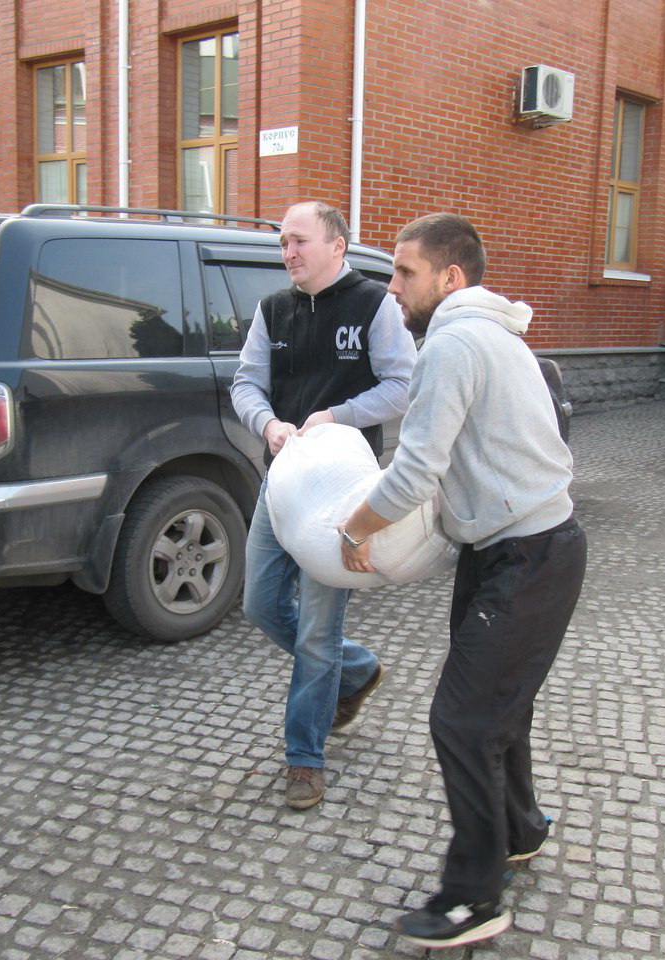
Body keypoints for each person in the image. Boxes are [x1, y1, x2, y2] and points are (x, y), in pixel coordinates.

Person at [336, 213, 586, 949]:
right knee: (498, 707)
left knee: (463, 719)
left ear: (450, 277)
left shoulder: (452, 342)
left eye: (405, 272)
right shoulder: (496, 333)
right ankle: (520, 830)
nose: (392, 286)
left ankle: (473, 899)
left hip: (528, 556)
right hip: (518, 548)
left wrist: (355, 527)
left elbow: (416, 471)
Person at [230, 201, 416, 810]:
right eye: (283, 242)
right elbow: (246, 384)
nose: (288, 252)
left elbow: (403, 385)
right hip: (281, 481)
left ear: (337, 245)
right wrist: (268, 425)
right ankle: (355, 668)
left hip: (342, 493)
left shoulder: (373, 305)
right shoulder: (272, 309)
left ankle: (305, 759)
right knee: (260, 604)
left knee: (316, 632)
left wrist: (337, 415)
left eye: (299, 241)